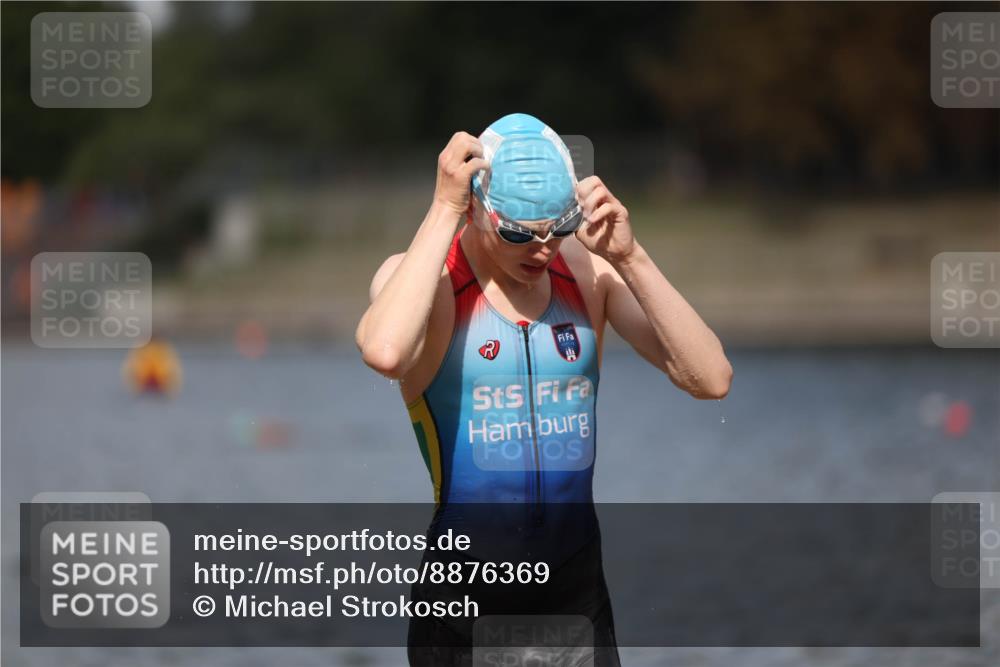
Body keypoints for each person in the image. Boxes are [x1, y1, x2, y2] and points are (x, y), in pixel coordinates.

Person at [356, 113, 733, 666]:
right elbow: (385, 351)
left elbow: (710, 378)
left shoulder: (588, 276)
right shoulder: (427, 282)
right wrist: (443, 209)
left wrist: (630, 256)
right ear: (480, 208)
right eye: (517, 233)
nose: (540, 250)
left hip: (576, 602)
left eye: (556, 229)